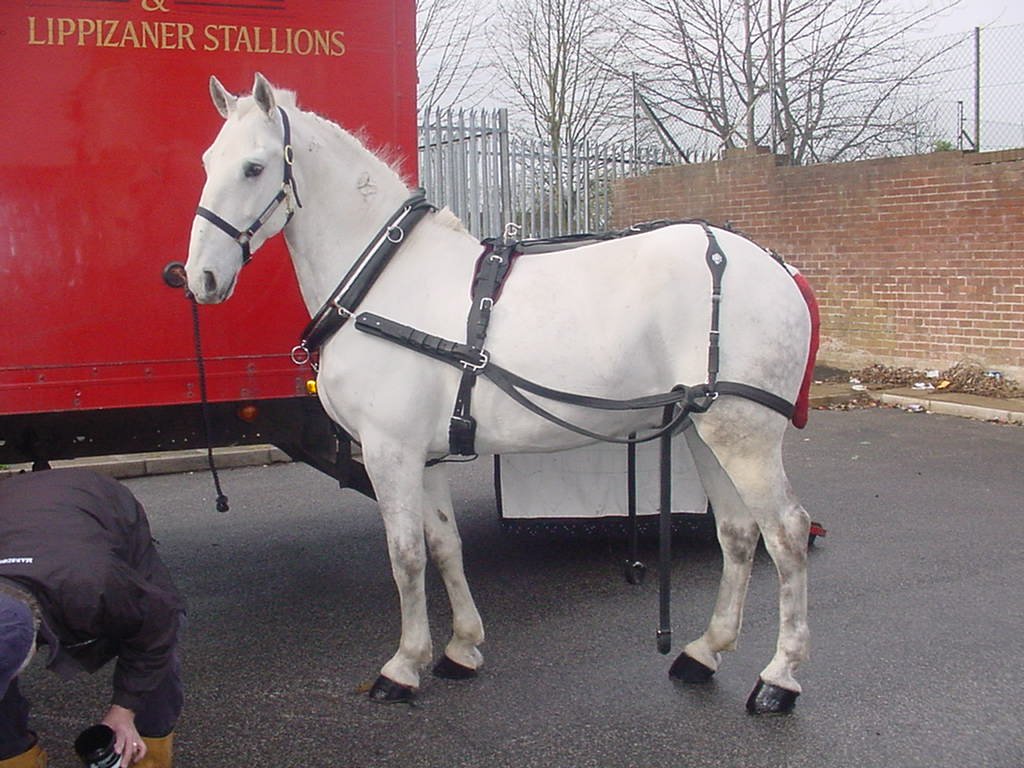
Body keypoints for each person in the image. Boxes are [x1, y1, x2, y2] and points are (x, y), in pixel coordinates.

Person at [0, 468, 185, 768]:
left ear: (31, 651)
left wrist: (125, 710)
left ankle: (146, 751)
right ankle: (13, 758)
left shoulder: (96, 584)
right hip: (18, 508)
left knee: (154, 625)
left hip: (98, 500)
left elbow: (157, 625)